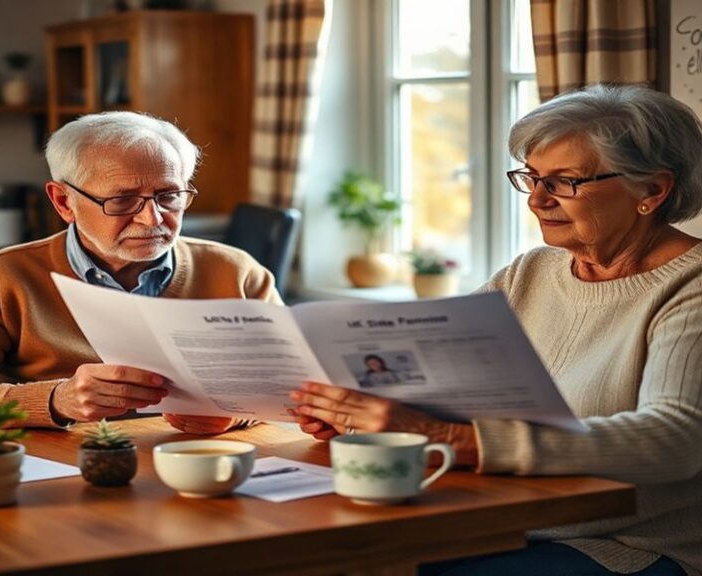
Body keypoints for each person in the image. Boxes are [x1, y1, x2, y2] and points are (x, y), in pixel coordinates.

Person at [290, 85, 702, 576]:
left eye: (564, 182)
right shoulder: (528, 272)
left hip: (622, 546)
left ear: (652, 190)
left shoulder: (690, 285)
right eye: (531, 178)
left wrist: (443, 435)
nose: (537, 200)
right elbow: (439, 384)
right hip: (492, 515)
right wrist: (358, 415)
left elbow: (673, 441)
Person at [0, 111, 281, 434]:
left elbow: (289, 384)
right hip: (62, 473)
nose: (153, 219)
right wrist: (55, 400)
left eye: (169, 196)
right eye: (122, 201)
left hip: (198, 464)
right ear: (64, 202)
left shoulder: (237, 272)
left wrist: (233, 413)